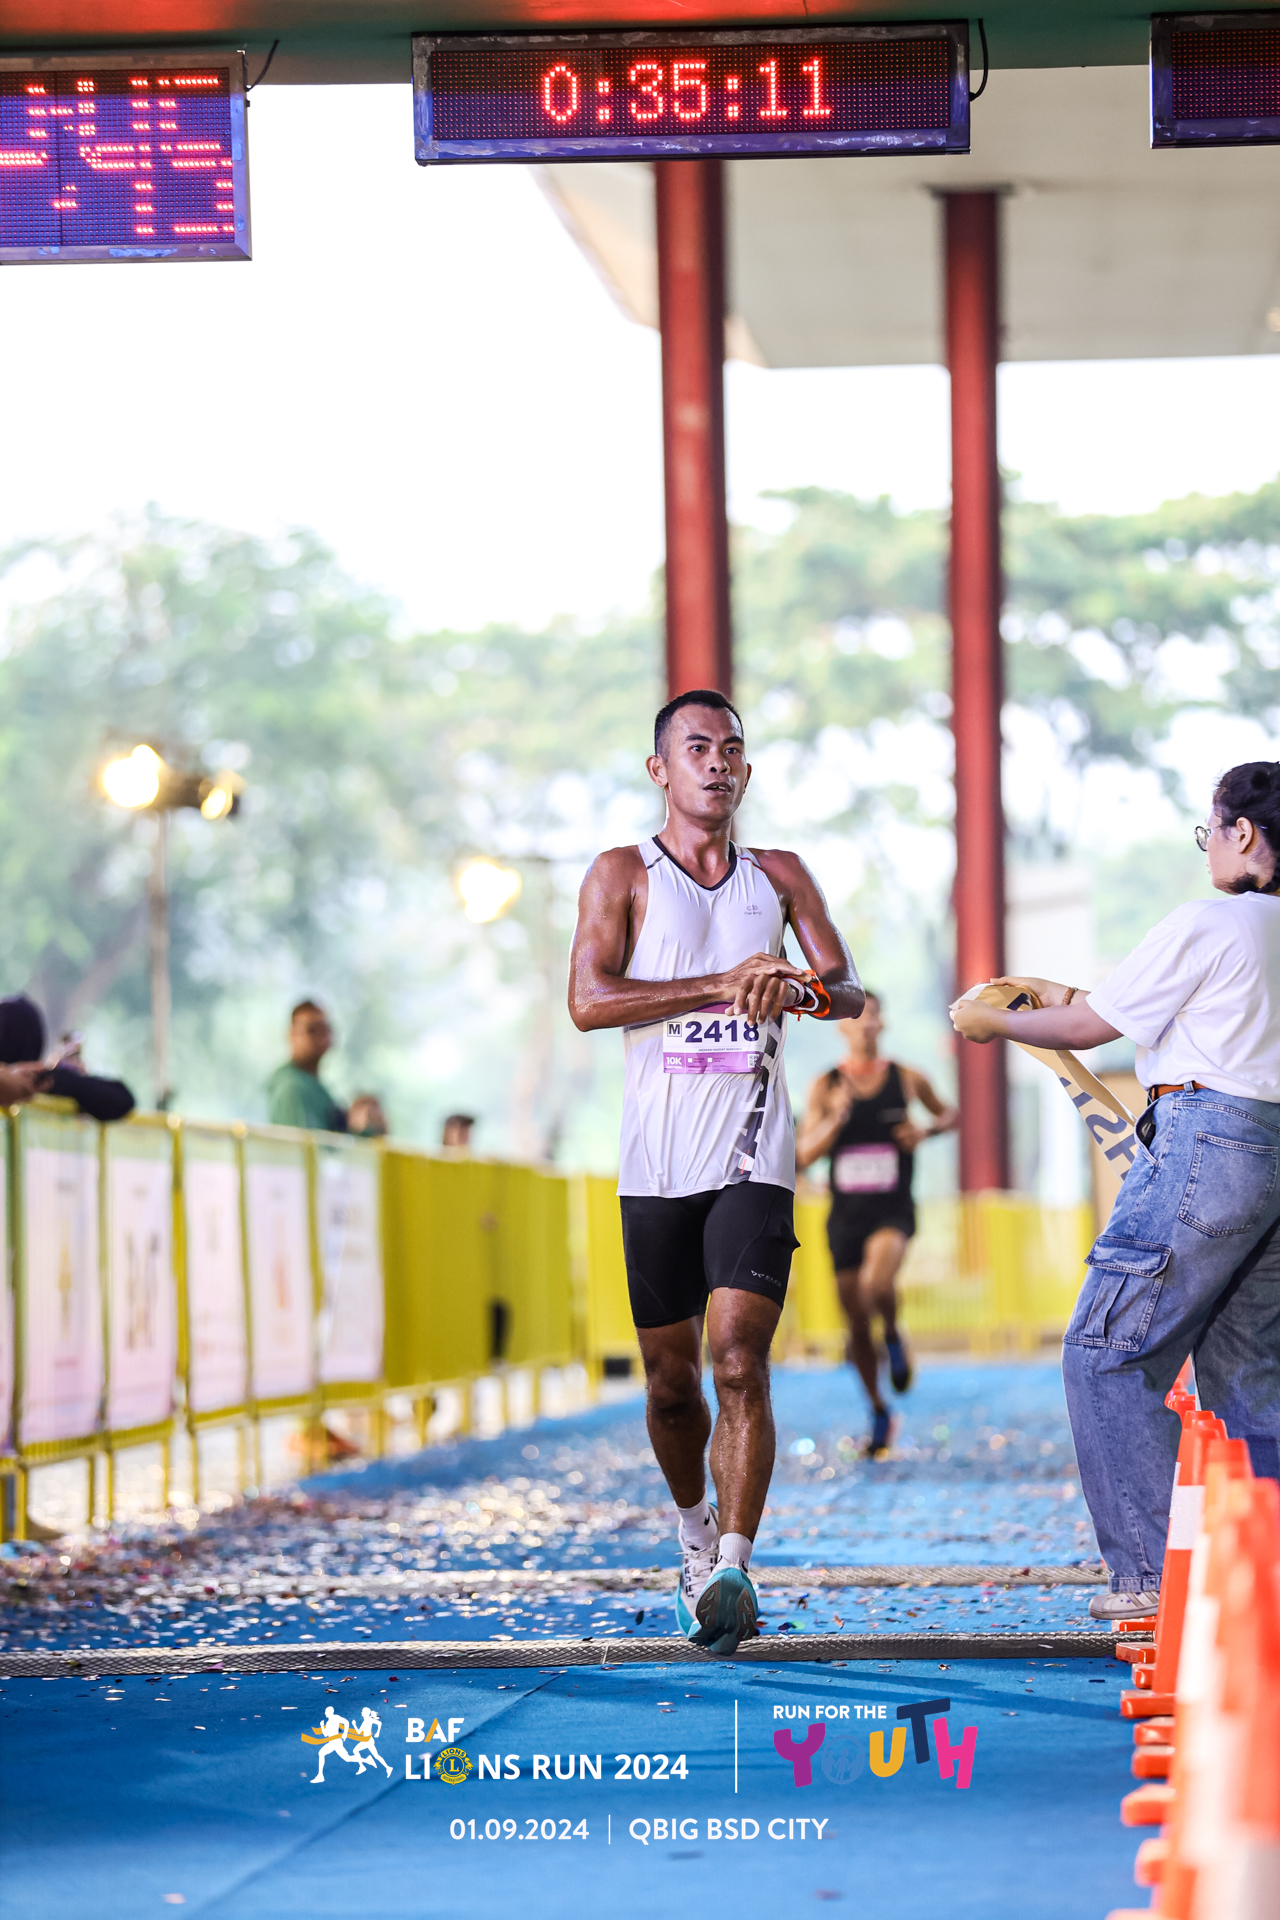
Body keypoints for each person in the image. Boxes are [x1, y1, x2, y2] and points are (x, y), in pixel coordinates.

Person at [950, 760, 1280, 1621]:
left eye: (1211, 830)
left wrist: (993, 1021)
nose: (1208, 847)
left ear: (1244, 833)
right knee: (1252, 1375)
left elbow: (1093, 1026)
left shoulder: (1212, 921)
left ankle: (1152, 1582)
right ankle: (1265, 1585)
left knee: (1107, 1352)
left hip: (1210, 1141)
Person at [569, 688, 863, 1652]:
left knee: (738, 1360)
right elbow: (588, 999)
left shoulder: (778, 875)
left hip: (752, 1155)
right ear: (661, 769)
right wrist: (720, 983)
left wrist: (796, 990)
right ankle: (693, 1533)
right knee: (670, 1384)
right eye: (698, 748)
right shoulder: (622, 873)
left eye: (732, 749)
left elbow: (847, 989)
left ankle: (734, 1564)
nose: (718, 763)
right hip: (656, 1164)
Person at [795, 992, 958, 1457]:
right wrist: (835, 1119)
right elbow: (803, 1154)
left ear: (882, 1024)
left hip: (892, 1209)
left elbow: (949, 1113)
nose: (864, 1024)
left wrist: (925, 1130)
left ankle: (893, 1332)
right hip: (846, 1216)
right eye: (856, 1017)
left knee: (877, 1284)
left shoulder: (906, 1077)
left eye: (872, 1016)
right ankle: (878, 1408)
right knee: (854, 1320)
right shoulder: (825, 1085)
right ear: (841, 1027)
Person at [0, 994, 134, 1122]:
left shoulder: (38, 1082)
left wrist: (53, 1078)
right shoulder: (39, 1083)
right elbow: (122, 1100)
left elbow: (121, 1100)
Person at [266, 1001, 346, 1133]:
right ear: (291, 1035)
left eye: (325, 1029)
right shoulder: (292, 1089)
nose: (320, 1037)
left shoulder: (315, 1087)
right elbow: (310, 1144)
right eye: (312, 1030)